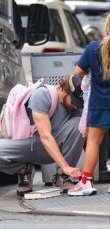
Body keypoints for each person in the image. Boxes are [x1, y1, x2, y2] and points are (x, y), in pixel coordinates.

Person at [0, 75, 85, 195]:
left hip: (50, 149)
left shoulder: (76, 107)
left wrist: (87, 176)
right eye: (74, 101)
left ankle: (63, 176)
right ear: (64, 90)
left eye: (79, 103)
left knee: (80, 124)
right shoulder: (43, 95)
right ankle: (24, 171)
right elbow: (45, 136)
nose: (76, 106)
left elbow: (85, 137)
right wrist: (66, 165)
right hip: (26, 144)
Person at [68, 13, 110, 196]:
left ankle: (86, 182)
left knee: (93, 141)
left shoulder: (94, 48)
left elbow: (78, 71)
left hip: (99, 103)